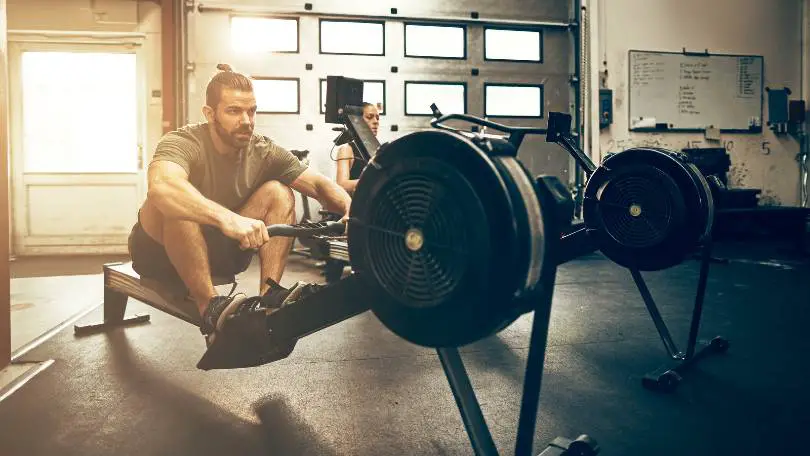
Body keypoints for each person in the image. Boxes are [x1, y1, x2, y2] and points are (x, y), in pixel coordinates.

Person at [128, 64, 353, 340]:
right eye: (234, 111)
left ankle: (270, 298)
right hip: (158, 256)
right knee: (178, 200)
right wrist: (229, 219)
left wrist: (351, 210)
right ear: (210, 114)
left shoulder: (262, 149)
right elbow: (162, 187)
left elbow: (318, 184)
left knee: (279, 192)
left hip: (218, 252)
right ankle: (210, 309)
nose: (246, 120)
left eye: (252, 111)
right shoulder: (184, 141)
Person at [335, 102, 380, 194]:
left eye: (377, 118)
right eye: (369, 117)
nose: (376, 121)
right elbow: (341, 184)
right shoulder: (347, 150)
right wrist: (376, 181)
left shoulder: (378, 149)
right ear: (358, 121)